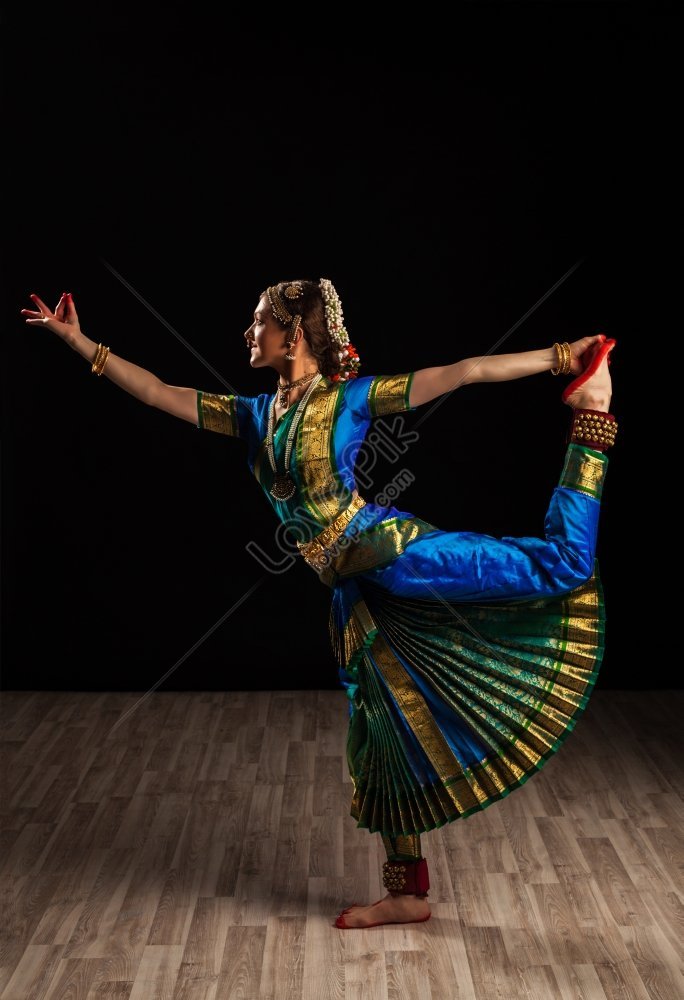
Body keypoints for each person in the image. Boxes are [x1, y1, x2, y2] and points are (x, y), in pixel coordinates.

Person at [21, 280, 617, 930]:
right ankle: (408, 893)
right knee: (383, 729)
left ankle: (594, 415)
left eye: (258, 323)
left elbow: (466, 371)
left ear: (293, 334)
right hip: (353, 590)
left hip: (392, 553)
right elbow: (161, 392)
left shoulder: (351, 400)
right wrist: (79, 343)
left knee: (561, 565)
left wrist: (563, 357)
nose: (248, 335)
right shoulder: (254, 415)